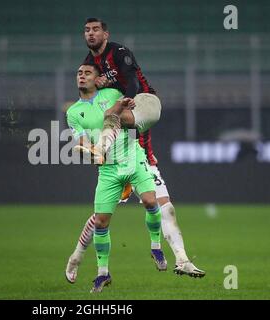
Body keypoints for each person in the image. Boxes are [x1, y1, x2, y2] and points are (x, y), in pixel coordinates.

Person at [65, 18, 205, 283]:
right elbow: (87, 126)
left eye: (96, 29)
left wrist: (125, 103)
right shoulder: (89, 83)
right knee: (99, 219)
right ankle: (76, 256)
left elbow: (131, 83)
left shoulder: (118, 54)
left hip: (140, 120)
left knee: (165, 207)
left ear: (105, 33)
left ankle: (183, 260)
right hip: (116, 156)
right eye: (87, 30)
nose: (91, 34)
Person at [66, 63, 166, 293]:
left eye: (87, 72)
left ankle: (156, 246)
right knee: (101, 222)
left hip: (132, 156)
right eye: (79, 73)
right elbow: (81, 141)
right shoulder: (73, 112)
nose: (82, 76)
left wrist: (125, 105)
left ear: (97, 78)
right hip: (108, 170)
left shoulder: (112, 94)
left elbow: (132, 117)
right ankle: (103, 273)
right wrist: (90, 151)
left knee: (151, 201)